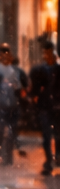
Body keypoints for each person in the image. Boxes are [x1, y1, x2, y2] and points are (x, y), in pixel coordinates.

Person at [0, 45, 26, 165]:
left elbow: (24, 86)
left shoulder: (16, 71)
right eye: (3, 55)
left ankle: (8, 157)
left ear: (10, 57)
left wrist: (21, 92)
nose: (5, 58)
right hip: (0, 105)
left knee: (11, 132)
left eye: (7, 55)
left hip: (13, 106)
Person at [29, 44, 59, 176]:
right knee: (47, 135)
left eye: (47, 53)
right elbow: (35, 88)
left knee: (58, 135)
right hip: (46, 105)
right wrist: (34, 97)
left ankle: (56, 158)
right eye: (44, 53)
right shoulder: (40, 70)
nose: (46, 55)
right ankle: (49, 162)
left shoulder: (58, 69)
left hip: (57, 106)